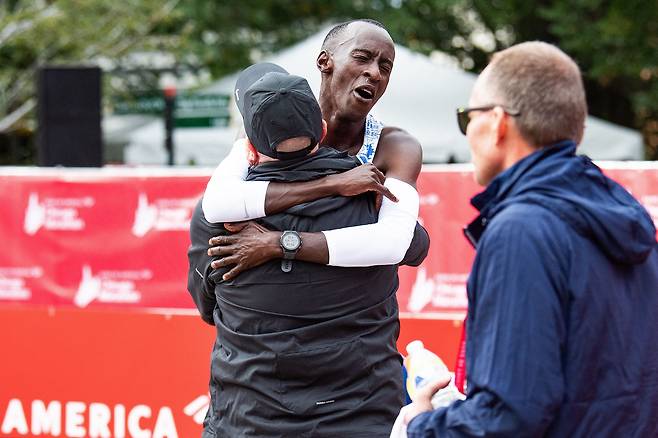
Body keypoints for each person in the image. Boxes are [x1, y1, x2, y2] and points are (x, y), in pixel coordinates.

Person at [404, 41, 658, 437]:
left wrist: (421, 424)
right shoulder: (626, 215)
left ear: (498, 123)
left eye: (466, 117)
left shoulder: (522, 229)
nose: (467, 132)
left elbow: (508, 417)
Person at [188, 63, 423, 437]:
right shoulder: (372, 197)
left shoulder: (216, 217)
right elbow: (414, 245)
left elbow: (207, 306)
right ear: (323, 131)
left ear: (248, 147)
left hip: (250, 420)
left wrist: (278, 246)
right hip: (365, 418)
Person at [203, 19, 428, 278]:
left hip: (354, 310)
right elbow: (216, 205)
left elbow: (398, 243)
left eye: (385, 67)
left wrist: (277, 243)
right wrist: (335, 184)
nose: (375, 73)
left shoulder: (396, 146)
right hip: (274, 309)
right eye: (362, 57)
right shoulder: (267, 123)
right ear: (324, 61)